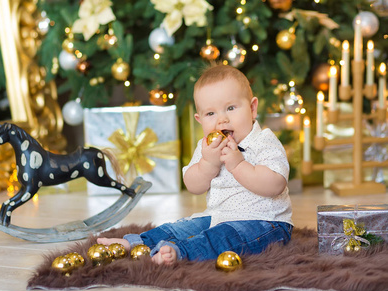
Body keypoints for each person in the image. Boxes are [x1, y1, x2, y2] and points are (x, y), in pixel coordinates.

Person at [98, 64, 293, 265]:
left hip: (264, 223)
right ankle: (137, 243)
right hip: (218, 216)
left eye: (231, 108)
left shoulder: (263, 141)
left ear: (252, 109)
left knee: (223, 237)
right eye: (211, 114)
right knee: (183, 227)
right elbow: (194, 186)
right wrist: (208, 163)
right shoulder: (207, 148)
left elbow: (275, 184)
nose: (222, 120)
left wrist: (238, 165)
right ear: (200, 120)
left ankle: (181, 252)